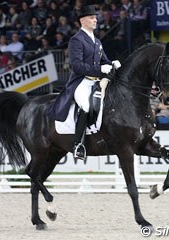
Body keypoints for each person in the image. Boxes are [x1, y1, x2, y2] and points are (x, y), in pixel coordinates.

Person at [46, 5, 121, 160]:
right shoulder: (76, 40)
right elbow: (77, 66)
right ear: (83, 20)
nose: (95, 20)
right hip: (81, 82)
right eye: (92, 18)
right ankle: (77, 144)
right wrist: (101, 68)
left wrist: (113, 63)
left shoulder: (97, 41)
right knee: (86, 106)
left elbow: (104, 61)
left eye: (95, 17)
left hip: (97, 82)